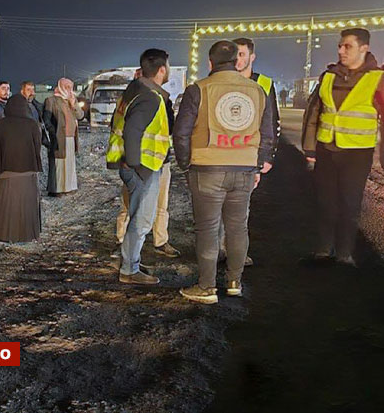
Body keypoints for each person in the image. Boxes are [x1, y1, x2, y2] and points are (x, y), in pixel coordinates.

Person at [173, 40, 275, 304]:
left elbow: (181, 132)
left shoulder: (198, 89)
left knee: (207, 229)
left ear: (210, 63)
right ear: (237, 61)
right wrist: (258, 162)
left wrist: (185, 163)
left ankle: (206, 288)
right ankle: (234, 282)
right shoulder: (257, 91)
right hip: (243, 168)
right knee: (238, 227)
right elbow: (267, 134)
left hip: (207, 168)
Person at [301, 28, 384, 266]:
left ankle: (344, 254)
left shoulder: (377, 79)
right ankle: (322, 250)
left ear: (363, 48)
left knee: (349, 203)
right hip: (327, 149)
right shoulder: (328, 77)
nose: (340, 50)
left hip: (357, 153)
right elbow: (313, 114)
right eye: (340, 45)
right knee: (324, 202)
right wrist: (310, 150)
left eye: (347, 46)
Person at [106, 49, 173, 284]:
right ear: (162, 69)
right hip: (143, 166)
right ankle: (129, 270)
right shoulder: (149, 97)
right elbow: (132, 131)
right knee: (143, 220)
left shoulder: (133, 91)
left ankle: (130, 259)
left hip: (131, 164)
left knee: (136, 216)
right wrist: (137, 166)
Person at [213, 38, 280, 266]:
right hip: (221, 152)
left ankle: (234, 252)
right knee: (217, 204)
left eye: (242, 54)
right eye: (235, 55)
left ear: (252, 57)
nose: (238, 59)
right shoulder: (221, 81)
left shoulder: (264, 84)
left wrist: (265, 157)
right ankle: (218, 248)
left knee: (240, 207)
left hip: (247, 155)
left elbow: (270, 122)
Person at [115, 60, 179, 258]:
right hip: (140, 164)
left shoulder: (163, 100)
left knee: (161, 205)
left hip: (160, 161)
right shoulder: (135, 98)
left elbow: (169, 128)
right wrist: (133, 164)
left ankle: (160, 241)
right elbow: (127, 131)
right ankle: (123, 244)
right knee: (131, 207)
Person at [0, 94, 43, 243]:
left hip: (6, 172)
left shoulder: (1, 125)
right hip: (28, 171)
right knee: (27, 205)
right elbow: (37, 147)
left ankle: (4, 234)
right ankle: (27, 234)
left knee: (6, 206)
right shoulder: (32, 125)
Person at [43, 77, 85, 196]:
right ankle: (56, 189)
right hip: (58, 137)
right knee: (58, 164)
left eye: (70, 87)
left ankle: (69, 187)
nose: (69, 89)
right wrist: (53, 133)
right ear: (60, 86)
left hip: (71, 137)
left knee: (69, 163)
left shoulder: (72, 100)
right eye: (66, 86)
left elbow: (80, 116)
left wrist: (74, 104)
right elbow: (47, 120)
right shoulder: (51, 100)